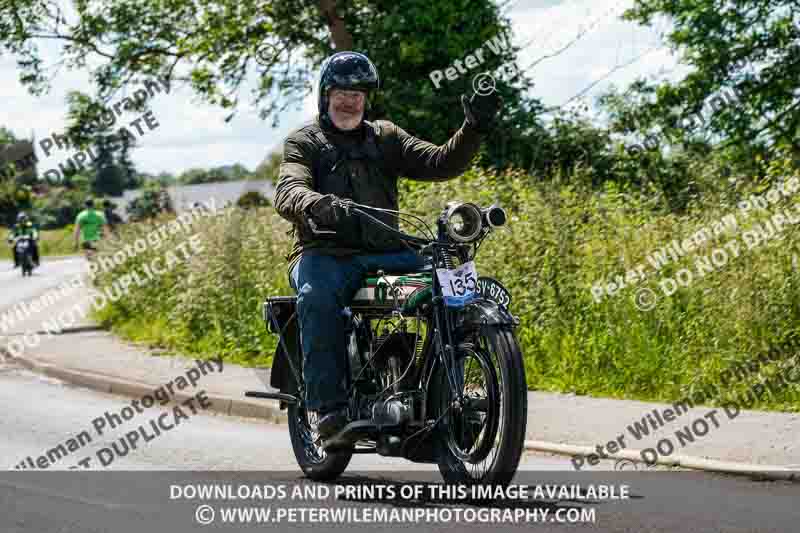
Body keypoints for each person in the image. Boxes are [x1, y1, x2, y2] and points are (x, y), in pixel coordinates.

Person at [274, 51, 501, 439]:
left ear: (367, 99)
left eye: (358, 94)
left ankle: (449, 393)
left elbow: (440, 162)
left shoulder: (386, 137)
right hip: (327, 254)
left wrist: (474, 127)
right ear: (325, 96)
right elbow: (288, 188)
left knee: (450, 282)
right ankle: (326, 411)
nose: (350, 100)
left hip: (388, 253)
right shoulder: (304, 142)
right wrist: (315, 204)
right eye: (342, 92)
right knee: (317, 298)